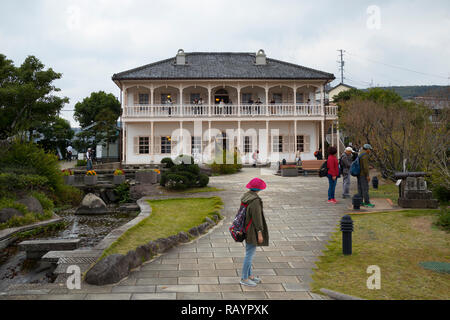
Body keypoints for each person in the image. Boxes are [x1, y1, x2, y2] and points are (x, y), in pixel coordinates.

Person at [240, 178, 269, 287]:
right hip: (252, 230)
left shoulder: (246, 196)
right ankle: (244, 278)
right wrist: (260, 233)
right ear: (259, 188)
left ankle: (250, 275)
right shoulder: (255, 200)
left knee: (249, 252)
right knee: (249, 254)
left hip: (246, 228)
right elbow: (257, 218)